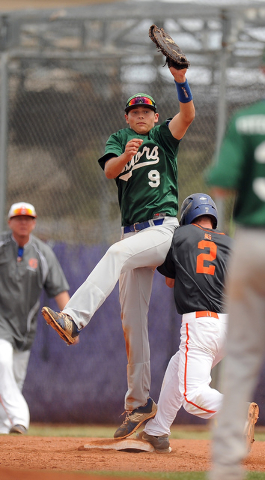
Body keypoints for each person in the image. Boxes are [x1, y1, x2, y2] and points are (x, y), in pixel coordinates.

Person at [42, 64, 195, 439]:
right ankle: (139, 404)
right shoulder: (119, 139)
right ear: (127, 117)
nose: (141, 116)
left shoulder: (164, 135)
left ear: (156, 116)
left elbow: (188, 114)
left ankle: (74, 319)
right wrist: (126, 155)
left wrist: (180, 79)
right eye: (135, 112)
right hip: (132, 236)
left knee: (114, 254)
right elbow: (111, 172)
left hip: (162, 229)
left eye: (146, 111)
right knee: (132, 324)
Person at [135, 193, 233, 453]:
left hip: (201, 324)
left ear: (187, 216)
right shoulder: (230, 243)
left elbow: (169, 280)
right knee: (178, 366)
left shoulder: (181, 235)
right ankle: (157, 432)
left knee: (193, 397)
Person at [205, 95, 265, 479]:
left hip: (254, 240)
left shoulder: (246, 120)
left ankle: (226, 467)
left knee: (241, 355)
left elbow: (221, 185)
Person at [0, 202, 70, 434]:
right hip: (2, 324)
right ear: (9, 222)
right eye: (18, 218)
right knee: (2, 363)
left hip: (25, 328)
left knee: (14, 381)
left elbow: (58, 289)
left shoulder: (43, 253)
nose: (23, 222)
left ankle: (6, 432)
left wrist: (71, 323)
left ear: (34, 223)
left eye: (28, 218)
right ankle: (20, 418)